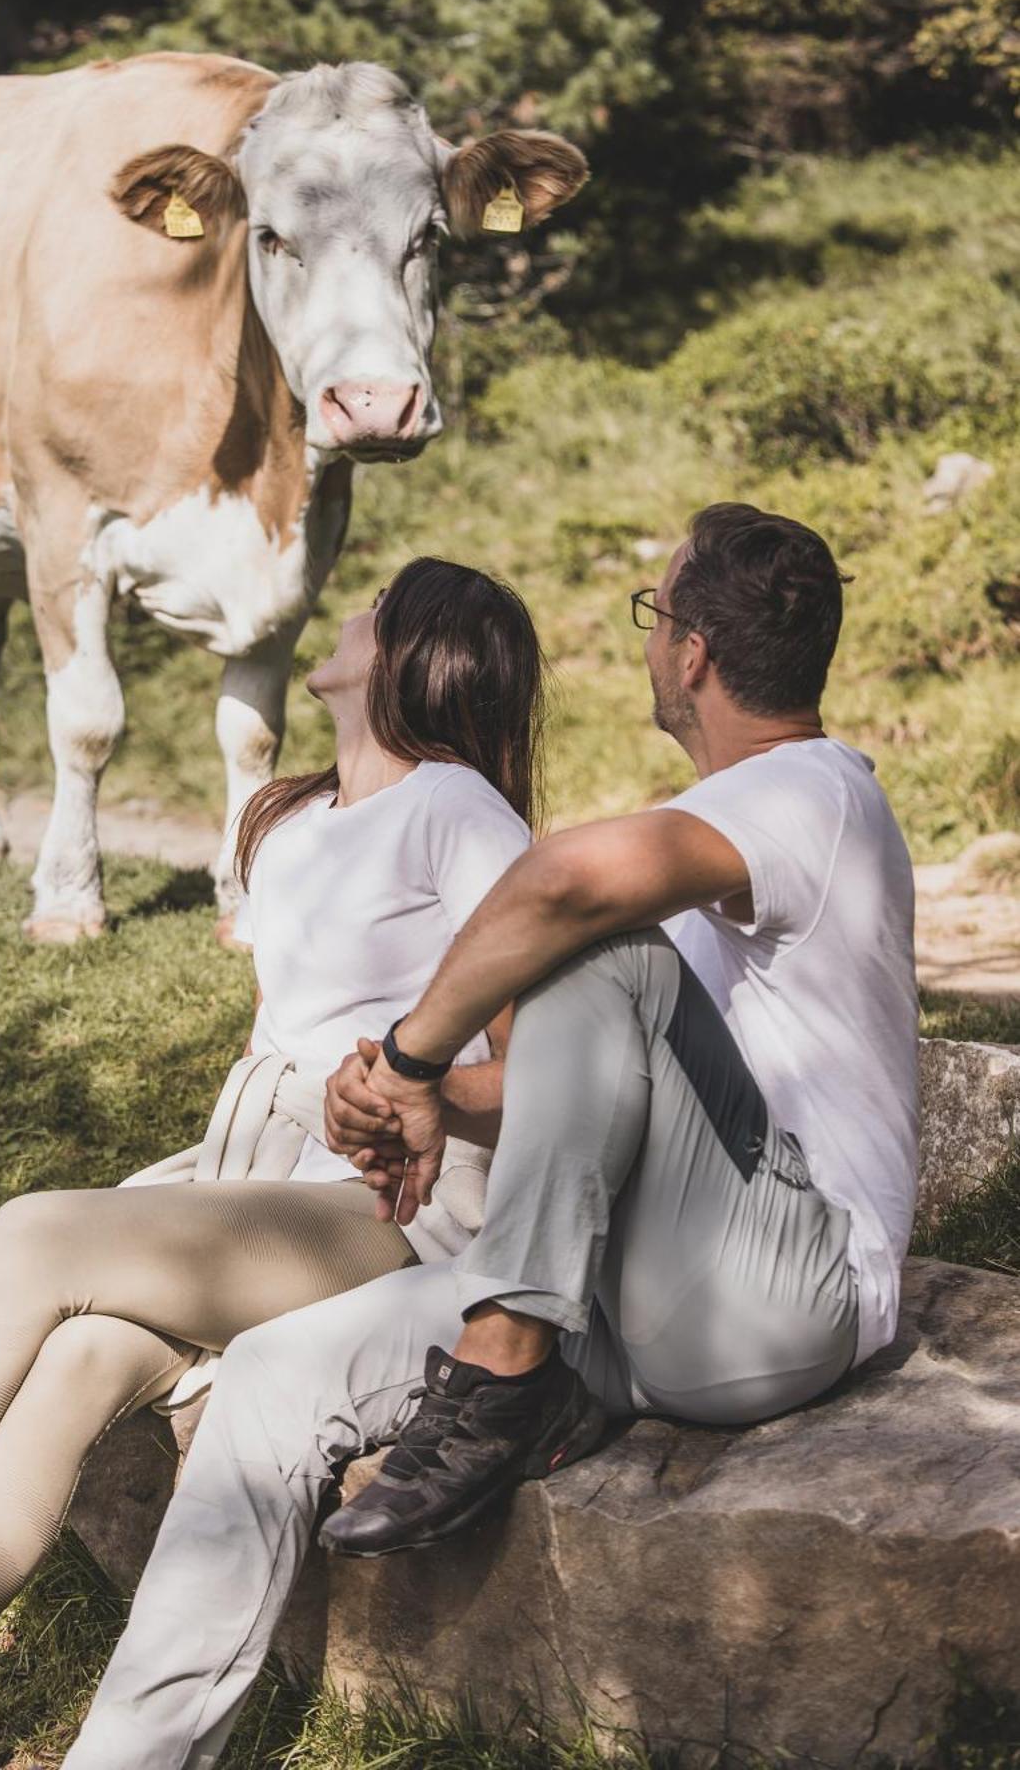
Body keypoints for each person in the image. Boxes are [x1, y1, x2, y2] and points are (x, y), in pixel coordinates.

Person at [62, 502, 917, 1766]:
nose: (649, 645)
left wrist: (411, 1048)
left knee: (589, 942)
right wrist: (430, 1101)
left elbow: (561, 889)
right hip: (630, 1292)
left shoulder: (808, 790)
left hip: (788, 1289)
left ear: (688, 652)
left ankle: (504, 1364)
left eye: (654, 615)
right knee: (272, 1379)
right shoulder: (721, 838)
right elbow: (583, 1079)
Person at [0, 556, 544, 1769]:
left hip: (385, 1208)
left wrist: (414, 1090)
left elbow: (541, 1070)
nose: (344, 613)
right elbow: (276, 1029)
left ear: (415, 650)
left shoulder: (460, 809)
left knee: (34, 1232)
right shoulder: (291, 816)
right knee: (82, 1351)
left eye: (372, 605)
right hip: (253, 1182)